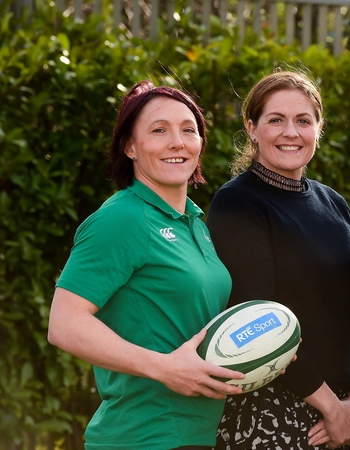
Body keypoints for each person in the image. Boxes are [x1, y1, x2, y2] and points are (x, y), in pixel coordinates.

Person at [47, 81, 245, 450]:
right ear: (130, 147)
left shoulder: (196, 225)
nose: (177, 142)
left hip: (198, 437)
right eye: (159, 130)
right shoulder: (122, 218)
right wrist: (164, 368)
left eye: (189, 129)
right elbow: (64, 324)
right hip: (142, 436)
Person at [206, 70, 350, 450]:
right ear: (252, 128)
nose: (291, 132)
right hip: (270, 412)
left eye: (303, 120)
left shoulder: (334, 204)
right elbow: (259, 324)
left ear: (318, 128)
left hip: (342, 418)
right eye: (275, 120)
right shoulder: (237, 203)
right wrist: (329, 407)